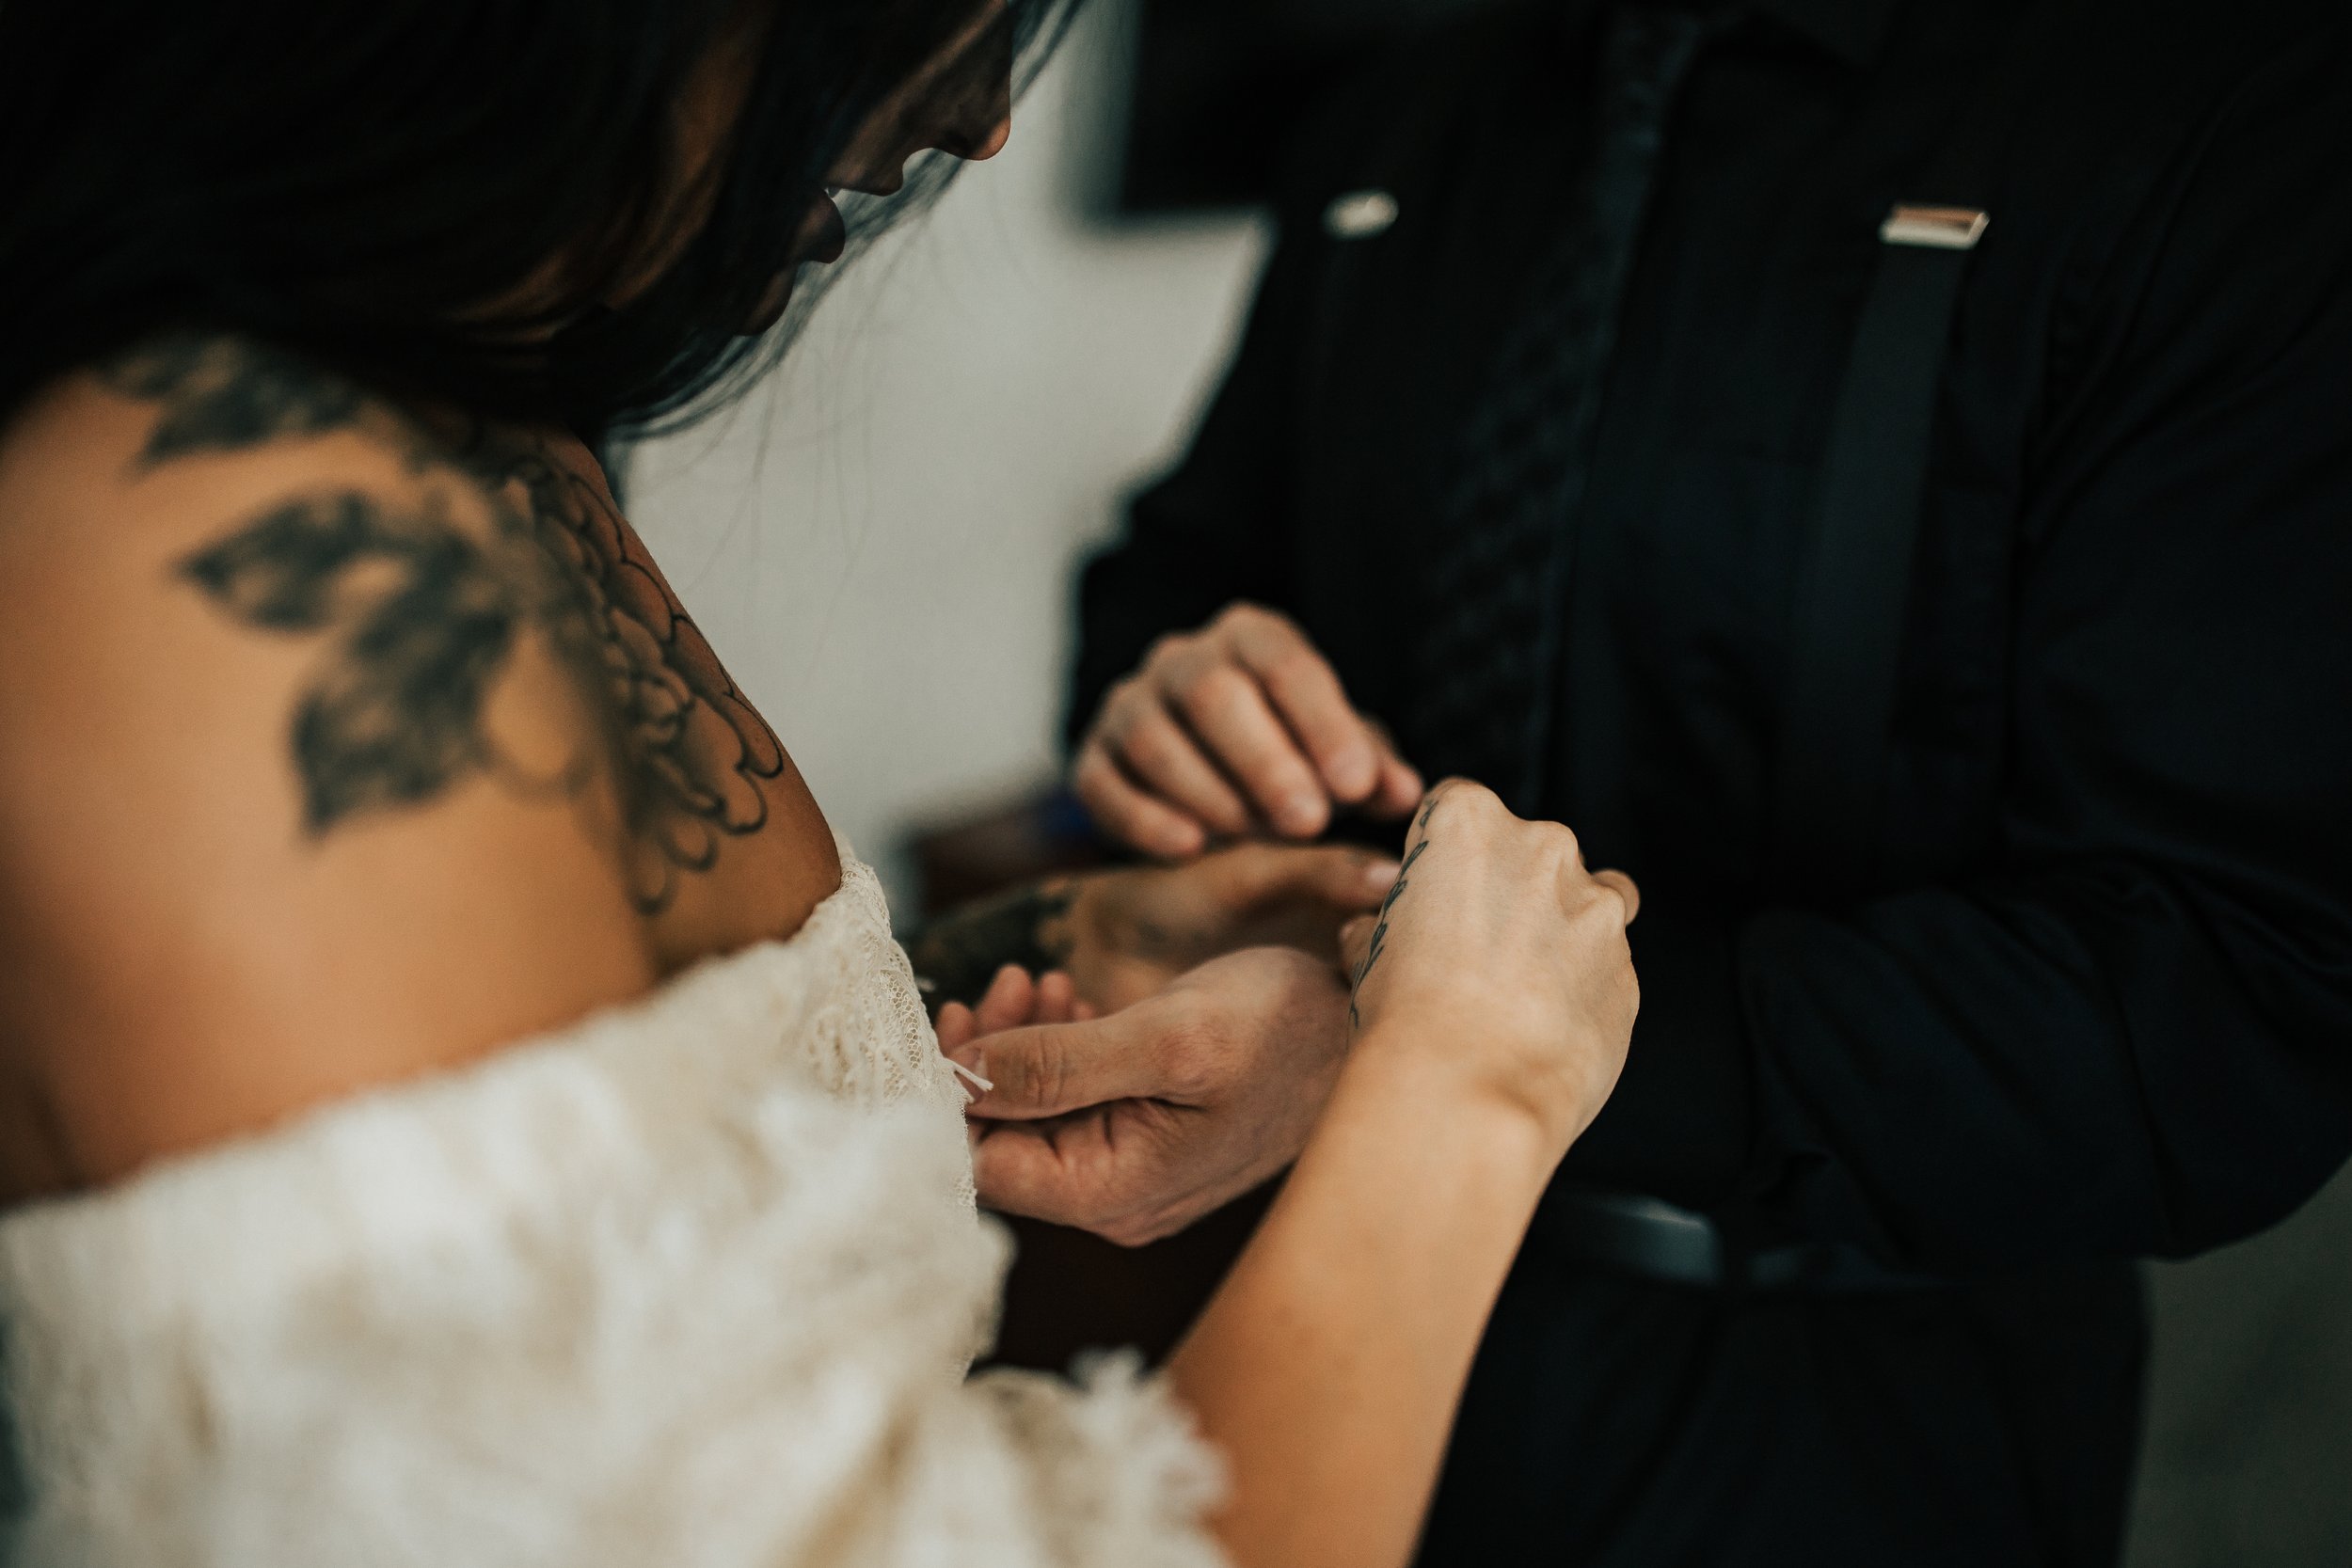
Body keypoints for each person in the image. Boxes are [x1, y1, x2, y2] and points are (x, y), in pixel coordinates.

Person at [0, 4, 1646, 1566]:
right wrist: (1466, 1094)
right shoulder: (256, 555)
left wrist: (1049, 945)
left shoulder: (488, 430)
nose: (986, 111)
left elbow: (575, 1109)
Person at [1063, 0, 2352, 1562]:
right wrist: (1173, 706)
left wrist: (1446, 1057)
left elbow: (2217, 997)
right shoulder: (1421, 92)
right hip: (1302, 1305)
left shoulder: (2227, 120)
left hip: (1841, 1425)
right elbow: (1184, 566)